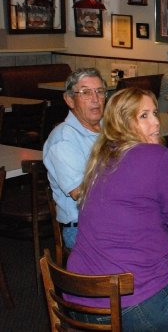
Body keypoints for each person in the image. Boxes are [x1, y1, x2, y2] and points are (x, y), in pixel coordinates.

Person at [66, 88, 168, 330]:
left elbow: (130, 212)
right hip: (133, 304)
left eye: (154, 113)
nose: (155, 122)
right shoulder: (155, 155)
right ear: (122, 122)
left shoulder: (101, 157)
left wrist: (162, 220)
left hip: (79, 301)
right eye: (143, 116)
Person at [43, 67, 107, 249]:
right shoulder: (63, 139)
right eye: (86, 93)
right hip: (83, 227)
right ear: (70, 100)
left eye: (100, 91)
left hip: (119, 217)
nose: (95, 99)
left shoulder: (111, 128)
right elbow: (81, 193)